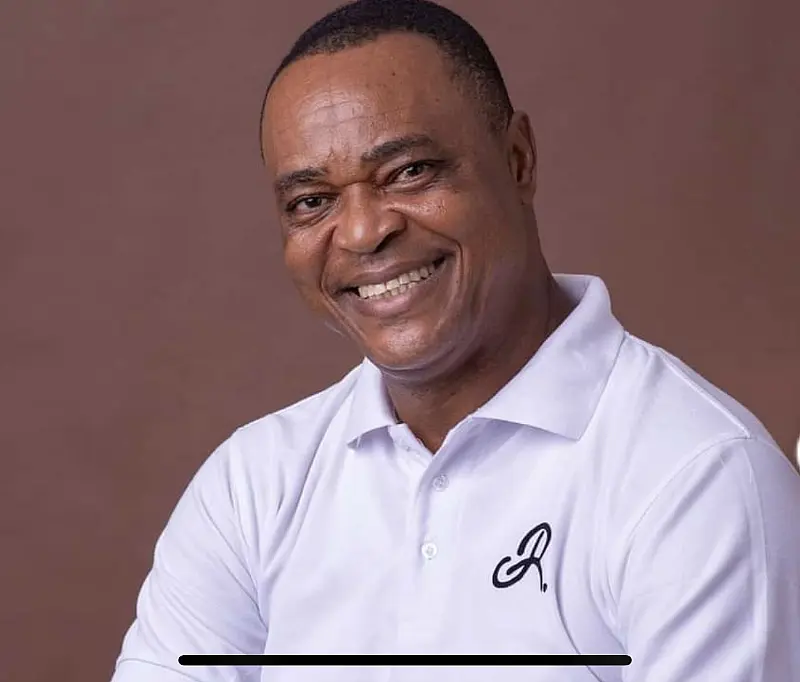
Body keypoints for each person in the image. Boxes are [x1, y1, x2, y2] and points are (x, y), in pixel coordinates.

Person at [110, 1, 800, 680]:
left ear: (518, 159)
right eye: (311, 202)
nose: (363, 232)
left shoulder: (697, 477)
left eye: (409, 171)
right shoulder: (251, 487)